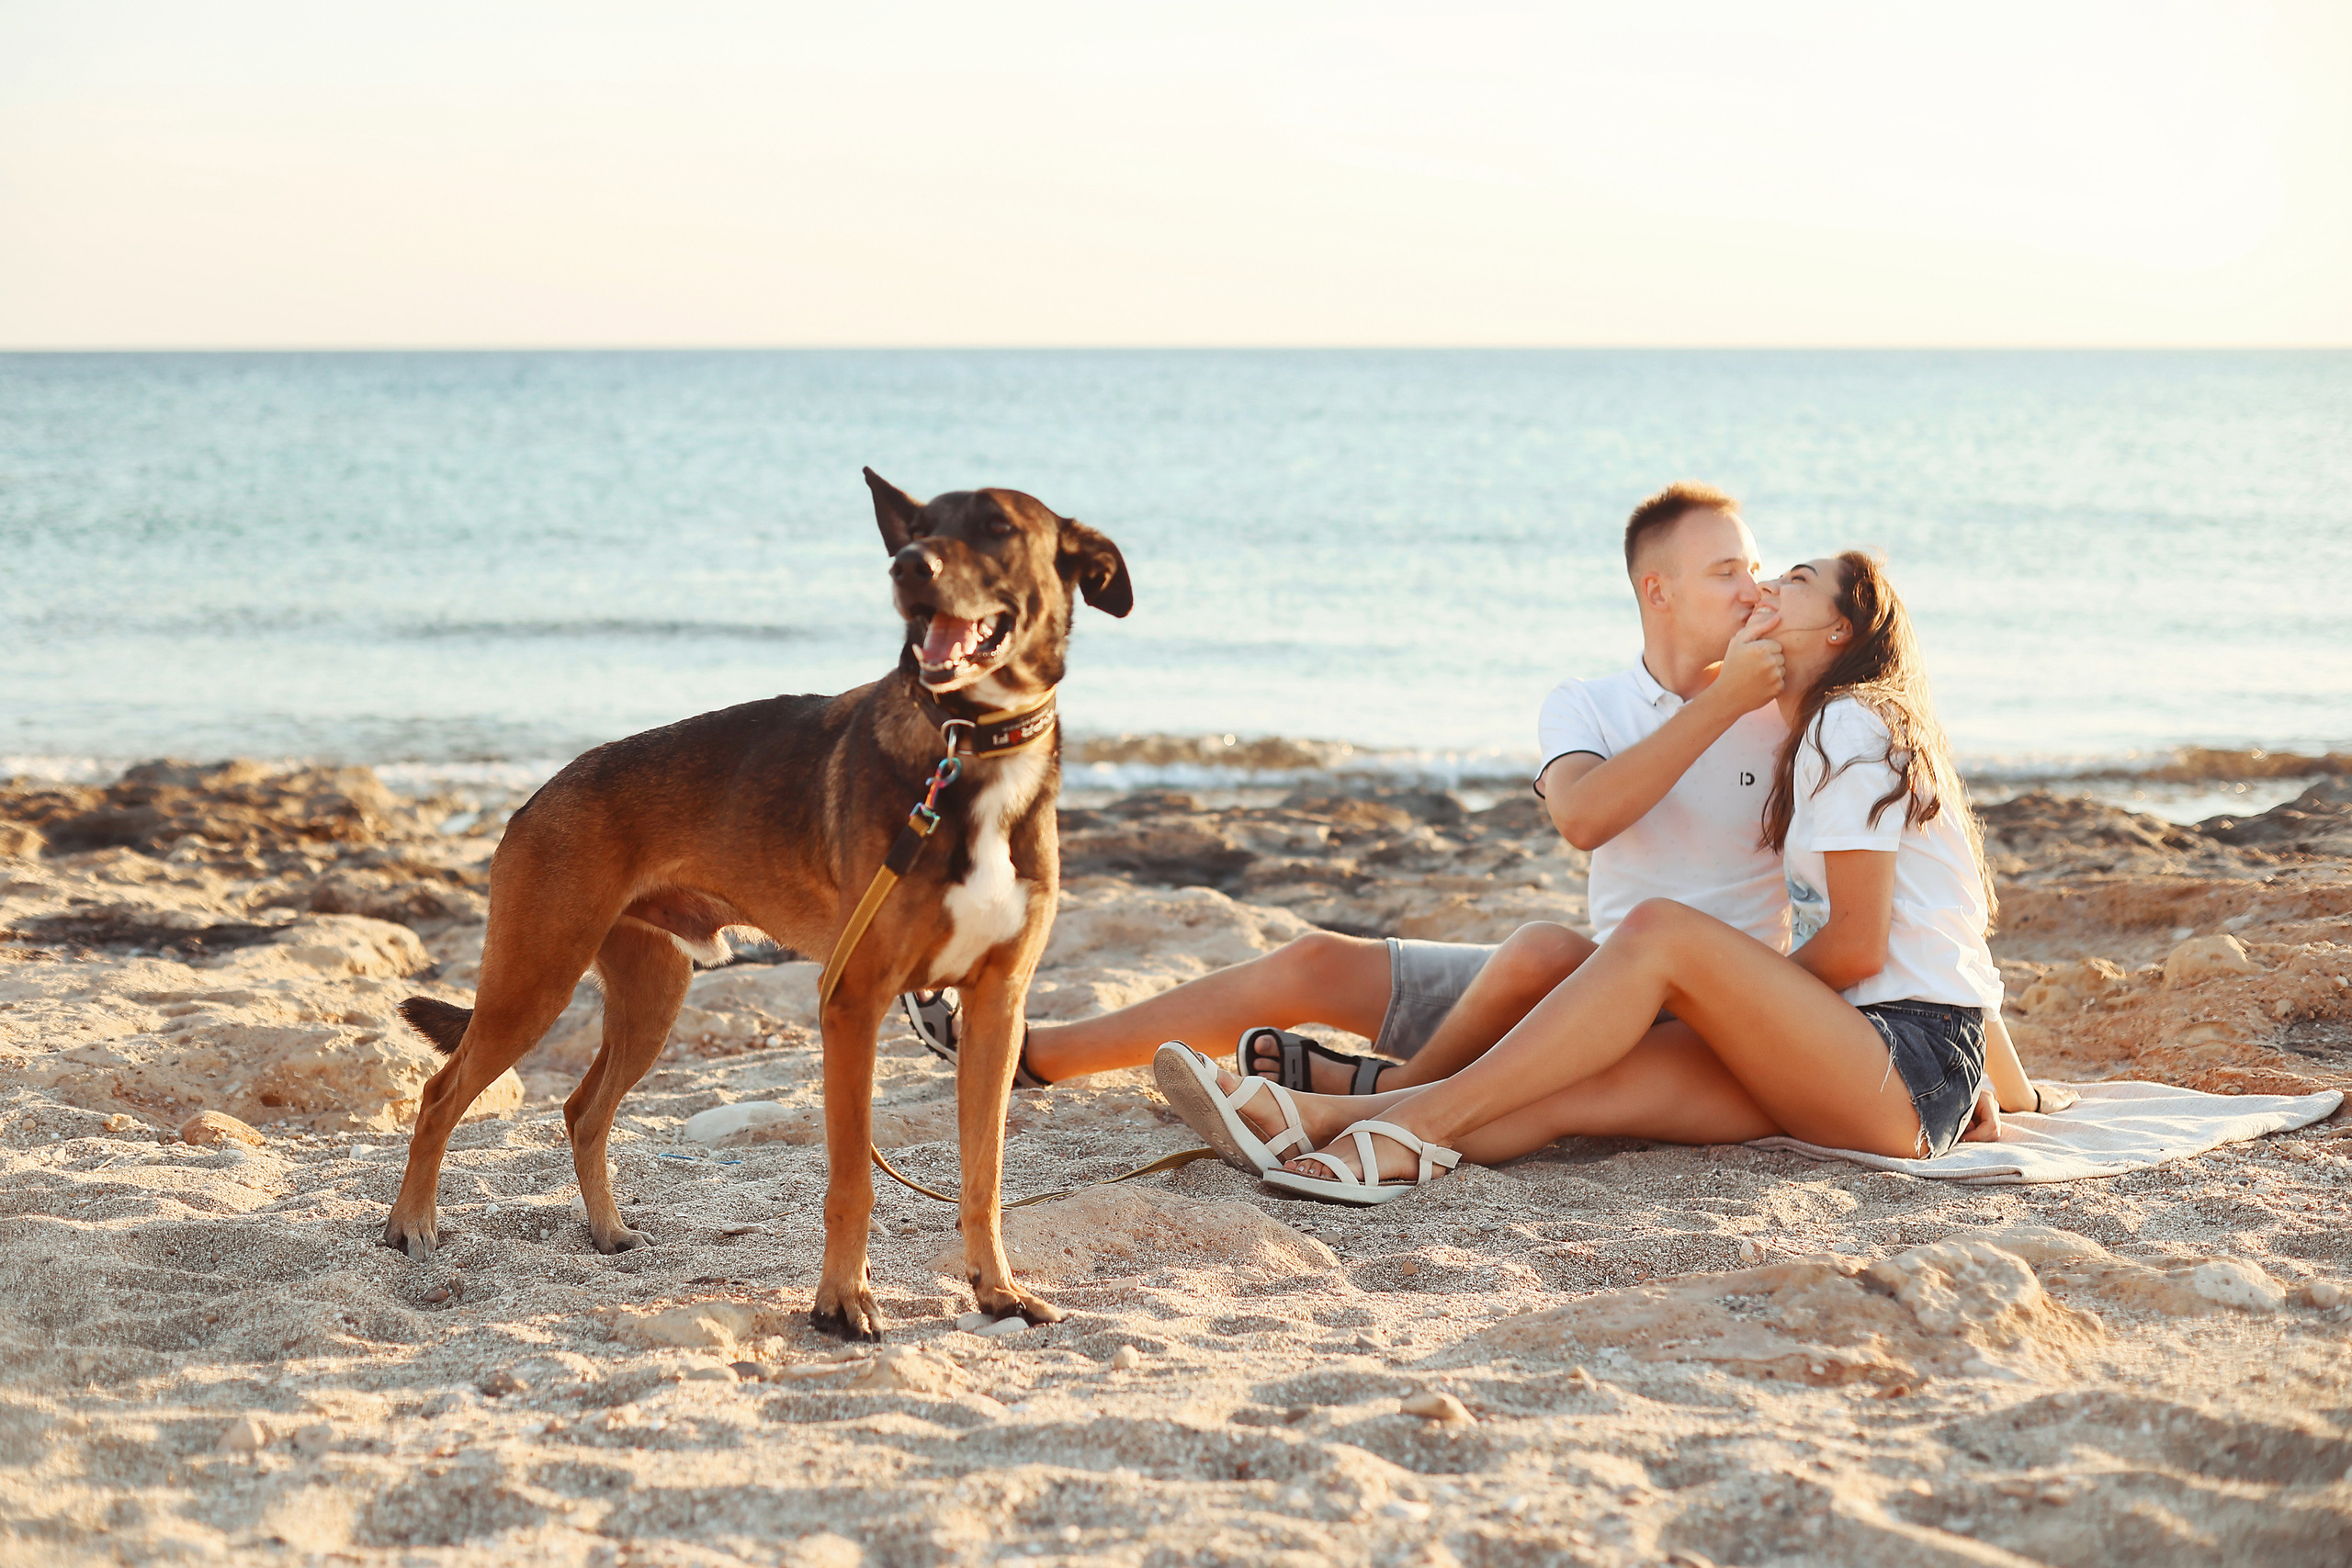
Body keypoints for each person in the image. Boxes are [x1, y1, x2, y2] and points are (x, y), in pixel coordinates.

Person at [1159, 550, 2069, 1204]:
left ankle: (1403, 1125)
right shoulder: (1814, 738)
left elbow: (1866, 946)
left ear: (1837, 627)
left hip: (1897, 1066)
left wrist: (1712, 1002)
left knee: (1660, 934)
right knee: (1575, 1089)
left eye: (1794, 579)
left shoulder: (1850, 724)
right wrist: (2016, 1093)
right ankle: (1312, 1125)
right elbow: (1949, 941)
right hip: (1862, 1063)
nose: (1765, 584)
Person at [900, 481, 1795, 1091]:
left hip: (1700, 1012)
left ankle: (1386, 1096)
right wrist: (1723, 703)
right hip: (1591, 984)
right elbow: (1585, 817)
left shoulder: (1785, 710)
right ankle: (1031, 1058)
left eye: (1755, 568)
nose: (1752, 588)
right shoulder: (1587, 705)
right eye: (1726, 571)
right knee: (1317, 961)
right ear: (1658, 590)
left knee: (1540, 949)